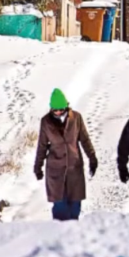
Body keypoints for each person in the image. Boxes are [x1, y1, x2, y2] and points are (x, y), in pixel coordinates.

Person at [34, 88, 98, 221]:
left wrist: (92, 158)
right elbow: (42, 146)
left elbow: (84, 139)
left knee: (75, 208)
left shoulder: (76, 118)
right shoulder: (46, 122)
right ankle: (59, 236)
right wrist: (37, 167)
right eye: (55, 109)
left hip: (74, 168)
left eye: (60, 109)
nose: (57, 112)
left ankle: (73, 238)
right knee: (60, 209)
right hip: (55, 171)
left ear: (66, 106)